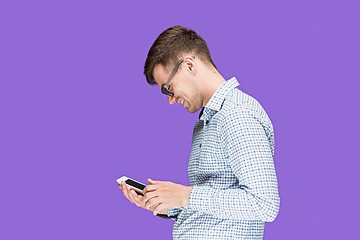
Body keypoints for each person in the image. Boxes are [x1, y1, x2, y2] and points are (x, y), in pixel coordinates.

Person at [119, 25, 280, 239]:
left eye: (168, 87)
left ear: (188, 65)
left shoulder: (237, 114)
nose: (170, 99)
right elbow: (216, 208)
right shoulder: (209, 120)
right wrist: (167, 205)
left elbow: (264, 203)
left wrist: (185, 195)